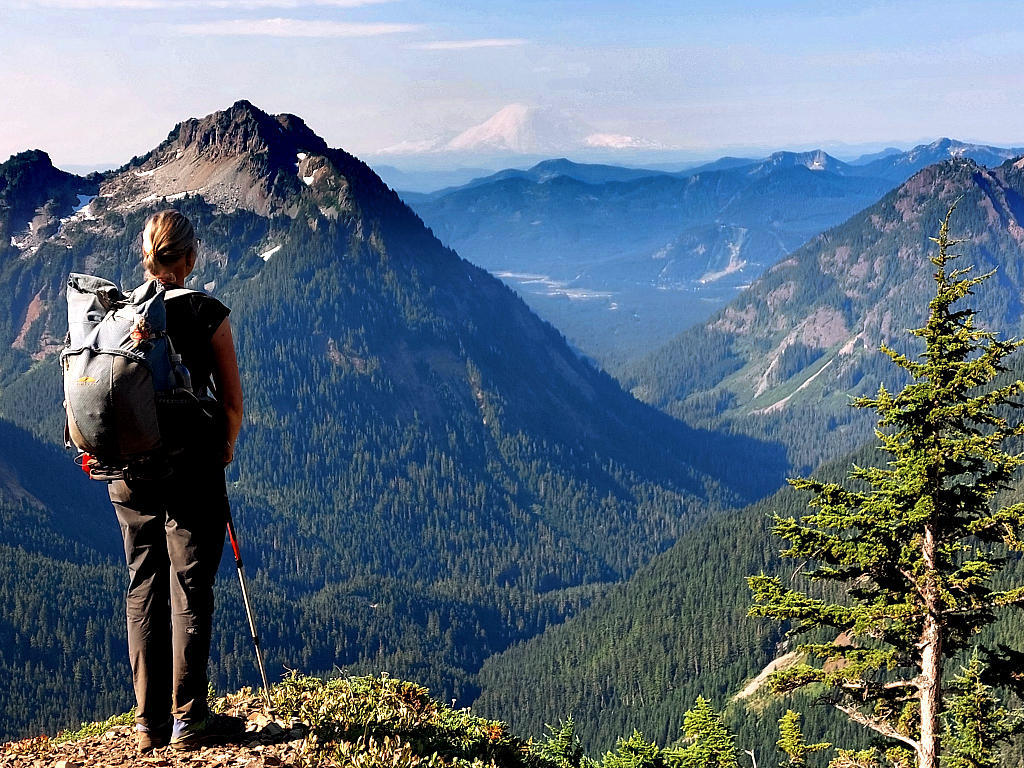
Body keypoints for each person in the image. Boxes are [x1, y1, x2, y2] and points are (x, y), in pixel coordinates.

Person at [106, 209, 245, 752]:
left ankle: (148, 725)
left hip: (130, 473)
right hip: (192, 471)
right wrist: (225, 446)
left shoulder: (118, 315)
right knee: (190, 586)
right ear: (189, 258)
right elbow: (232, 403)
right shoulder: (208, 313)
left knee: (143, 583)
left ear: (146, 257)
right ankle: (190, 721)